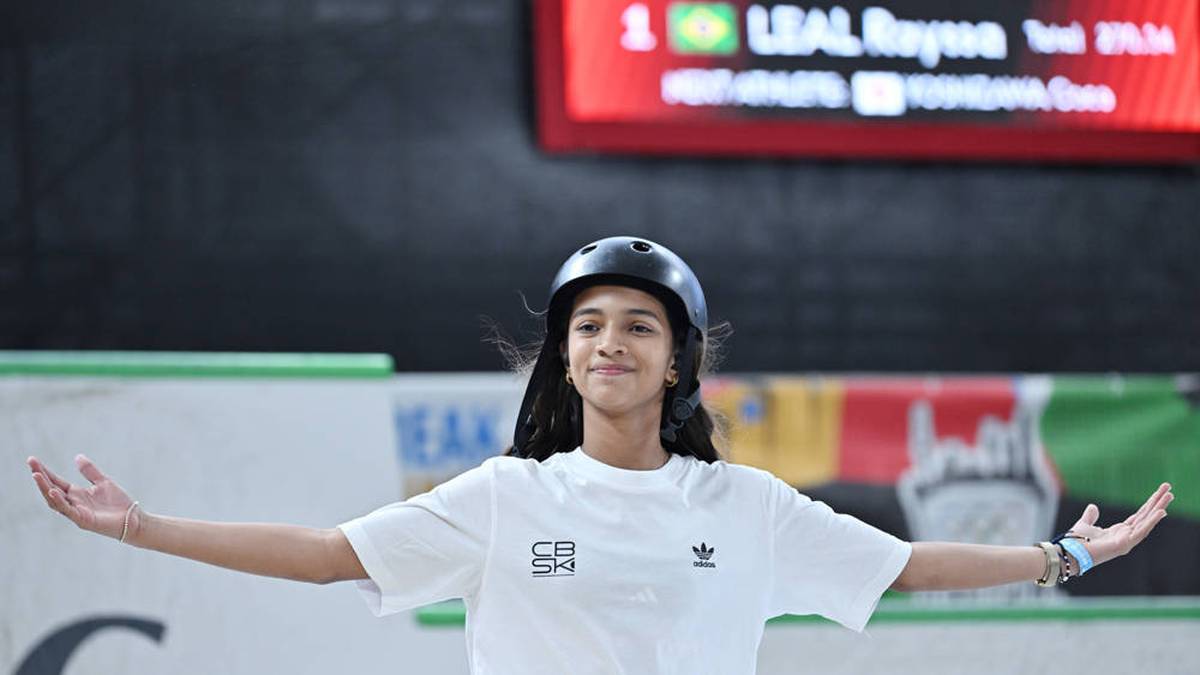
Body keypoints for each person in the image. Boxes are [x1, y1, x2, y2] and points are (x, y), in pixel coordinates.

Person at [27, 236, 1175, 674]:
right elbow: (329, 554)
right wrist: (143, 528)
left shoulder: (747, 504)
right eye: (587, 325)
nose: (609, 341)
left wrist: (1061, 560)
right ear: (564, 361)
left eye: (637, 323)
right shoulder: (505, 497)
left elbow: (906, 564)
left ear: (676, 361)